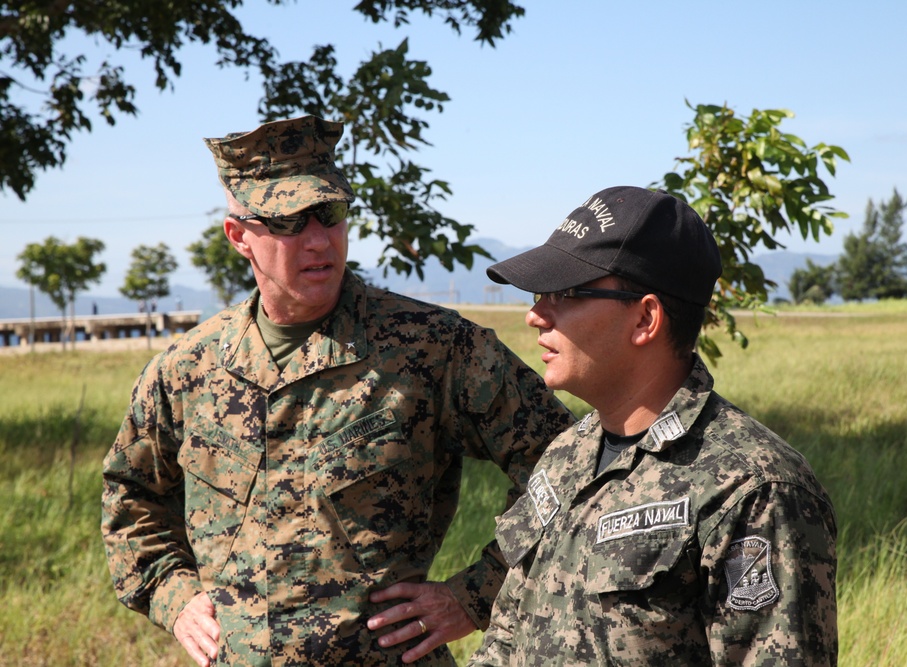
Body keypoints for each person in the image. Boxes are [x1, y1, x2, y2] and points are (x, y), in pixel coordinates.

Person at [100, 115, 575, 666]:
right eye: (290, 222)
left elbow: (567, 463)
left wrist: (473, 595)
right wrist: (174, 596)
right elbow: (131, 496)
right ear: (239, 237)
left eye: (330, 214)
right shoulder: (188, 368)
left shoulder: (435, 349)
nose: (319, 240)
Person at [468, 186, 838, 666]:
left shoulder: (752, 489)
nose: (535, 315)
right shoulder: (565, 455)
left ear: (645, 318)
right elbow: (505, 638)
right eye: (540, 295)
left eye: (563, 294)